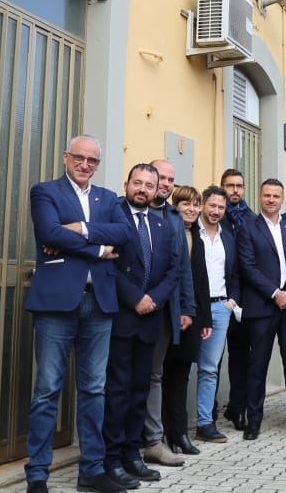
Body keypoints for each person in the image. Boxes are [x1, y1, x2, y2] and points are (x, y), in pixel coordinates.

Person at [22, 136, 133, 493]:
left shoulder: (108, 199)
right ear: (67, 157)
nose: (85, 165)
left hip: (99, 303)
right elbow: (48, 232)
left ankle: (92, 471)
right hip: (56, 303)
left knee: (94, 390)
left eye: (92, 161)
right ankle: (37, 475)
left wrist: (81, 231)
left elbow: (125, 232)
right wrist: (100, 248)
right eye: (79, 158)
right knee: (47, 390)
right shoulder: (45, 192)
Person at [103, 164, 190, 484]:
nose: (143, 189)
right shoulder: (113, 217)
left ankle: (132, 454)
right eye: (137, 183)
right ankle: (111, 459)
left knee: (140, 391)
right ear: (126, 184)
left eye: (149, 185)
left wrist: (153, 299)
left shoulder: (163, 223)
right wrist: (135, 299)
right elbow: (107, 267)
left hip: (152, 318)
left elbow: (174, 269)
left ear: (157, 191)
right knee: (117, 392)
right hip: (122, 318)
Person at [236, 177, 286, 440]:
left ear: (283, 198)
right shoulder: (248, 229)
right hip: (262, 308)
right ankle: (254, 421)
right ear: (260, 197)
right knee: (257, 367)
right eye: (267, 195)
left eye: (276, 195)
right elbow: (248, 267)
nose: (271, 199)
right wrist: (274, 293)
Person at [138, 158, 189, 469]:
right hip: (131, 308)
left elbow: (181, 268)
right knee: (128, 376)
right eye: (162, 178)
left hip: (166, 309)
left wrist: (188, 308)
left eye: (171, 179)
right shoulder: (124, 209)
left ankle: (154, 441)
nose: (167, 184)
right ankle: (129, 443)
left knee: (155, 376)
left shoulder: (173, 216)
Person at [161, 185, 214, 456]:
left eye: (195, 205)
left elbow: (202, 282)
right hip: (168, 314)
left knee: (181, 376)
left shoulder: (198, 238)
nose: (192, 209)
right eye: (186, 205)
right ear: (175, 207)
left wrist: (204, 318)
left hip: (191, 315)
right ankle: (161, 435)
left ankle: (179, 433)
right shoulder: (167, 232)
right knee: (161, 376)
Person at [194, 186, 240, 442]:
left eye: (221, 207)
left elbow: (235, 274)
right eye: (212, 206)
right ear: (202, 204)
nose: (216, 211)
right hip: (193, 308)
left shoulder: (228, 238)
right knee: (179, 367)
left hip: (220, 308)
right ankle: (171, 426)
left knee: (210, 368)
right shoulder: (190, 233)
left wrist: (231, 302)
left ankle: (204, 423)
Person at [218, 168, 254, 431]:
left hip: (245, 299)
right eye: (230, 186)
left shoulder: (252, 219)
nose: (235, 190)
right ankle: (208, 412)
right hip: (218, 296)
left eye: (239, 186)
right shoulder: (214, 217)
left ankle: (237, 407)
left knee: (241, 357)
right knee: (213, 359)